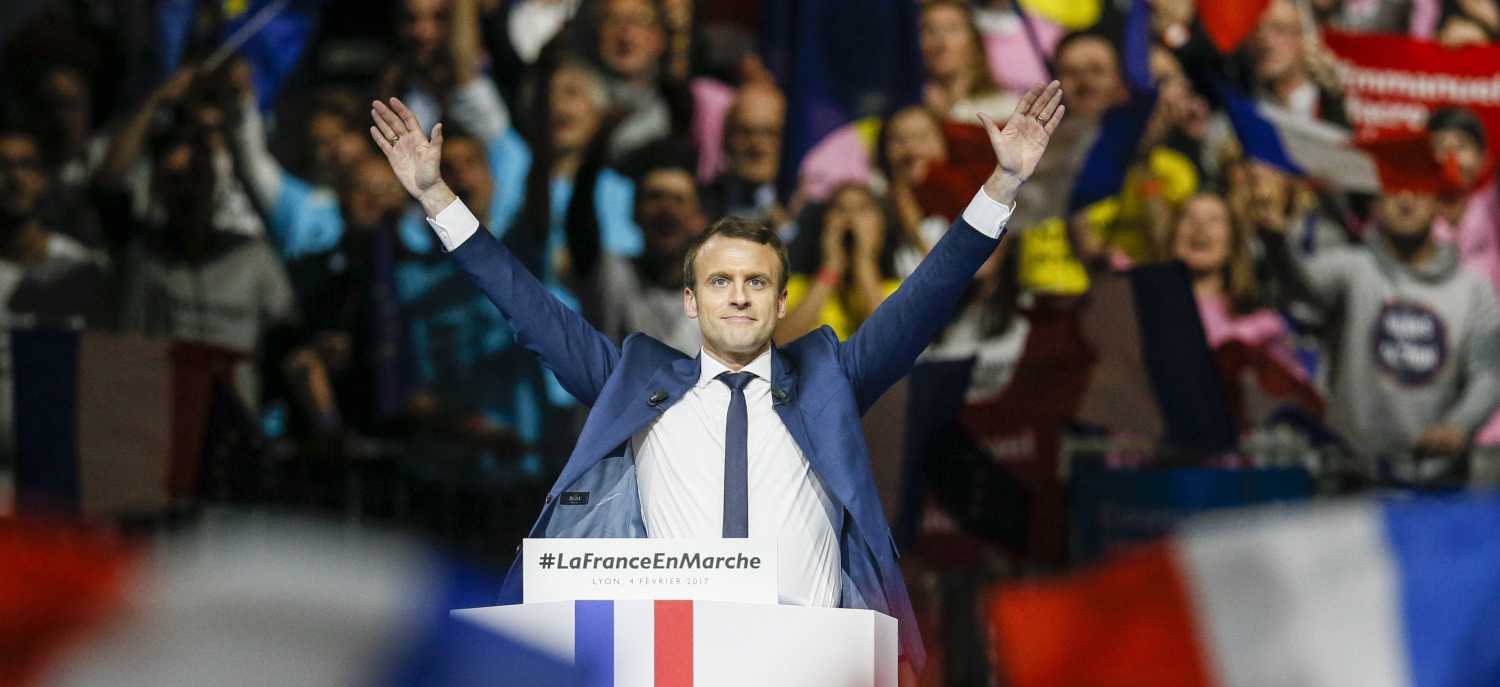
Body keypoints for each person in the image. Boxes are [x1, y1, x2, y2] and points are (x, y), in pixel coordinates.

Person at [368, 79, 1068, 675]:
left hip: (810, 663)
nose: (739, 294)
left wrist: (1002, 184)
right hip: (674, 661)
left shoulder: (830, 379)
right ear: (691, 301)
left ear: (782, 300)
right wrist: (436, 198)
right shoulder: (630, 381)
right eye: (721, 280)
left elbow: (924, 301)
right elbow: (526, 306)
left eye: (757, 281)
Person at [1258, 169, 1500, 482]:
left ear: (1438, 204)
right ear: (1374, 204)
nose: (1406, 200)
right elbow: (1302, 288)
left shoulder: (1473, 288)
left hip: (1438, 480)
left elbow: (1489, 372)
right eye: (1393, 189)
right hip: (1351, 474)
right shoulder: (1350, 267)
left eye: (1419, 190)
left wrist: (1459, 425)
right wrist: (1277, 244)